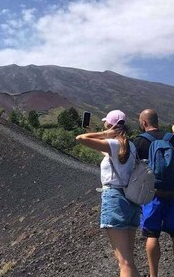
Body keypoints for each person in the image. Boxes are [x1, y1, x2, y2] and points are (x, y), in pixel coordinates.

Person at [76, 110, 140, 277]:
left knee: (124, 263)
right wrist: (95, 134)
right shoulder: (129, 146)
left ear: (110, 125)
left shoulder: (114, 143)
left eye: (106, 123)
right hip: (131, 200)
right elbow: (106, 152)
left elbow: (79, 139)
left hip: (115, 198)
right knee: (127, 260)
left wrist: (104, 134)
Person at [133, 109, 174, 277]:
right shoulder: (172, 139)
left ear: (144, 123)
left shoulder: (139, 141)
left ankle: (153, 275)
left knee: (152, 235)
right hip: (173, 193)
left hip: (152, 195)